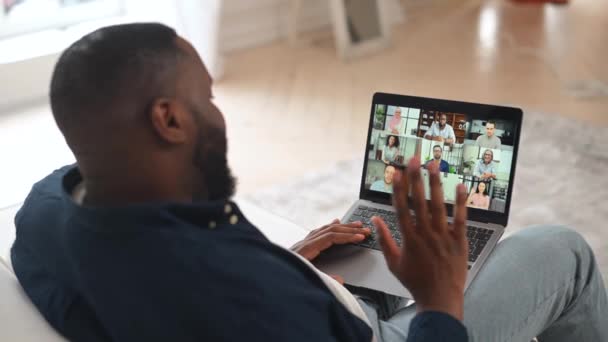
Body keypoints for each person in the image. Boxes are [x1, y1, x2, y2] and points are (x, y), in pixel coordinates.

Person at [10, 23, 608, 342]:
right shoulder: (237, 294)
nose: (218, 112)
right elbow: (243, 299)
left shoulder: (41, 211)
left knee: (375, 223)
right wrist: (438, 297)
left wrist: (292, 263)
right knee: (563, 251)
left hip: (314, 297)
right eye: (207, 97)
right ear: (168, 119)